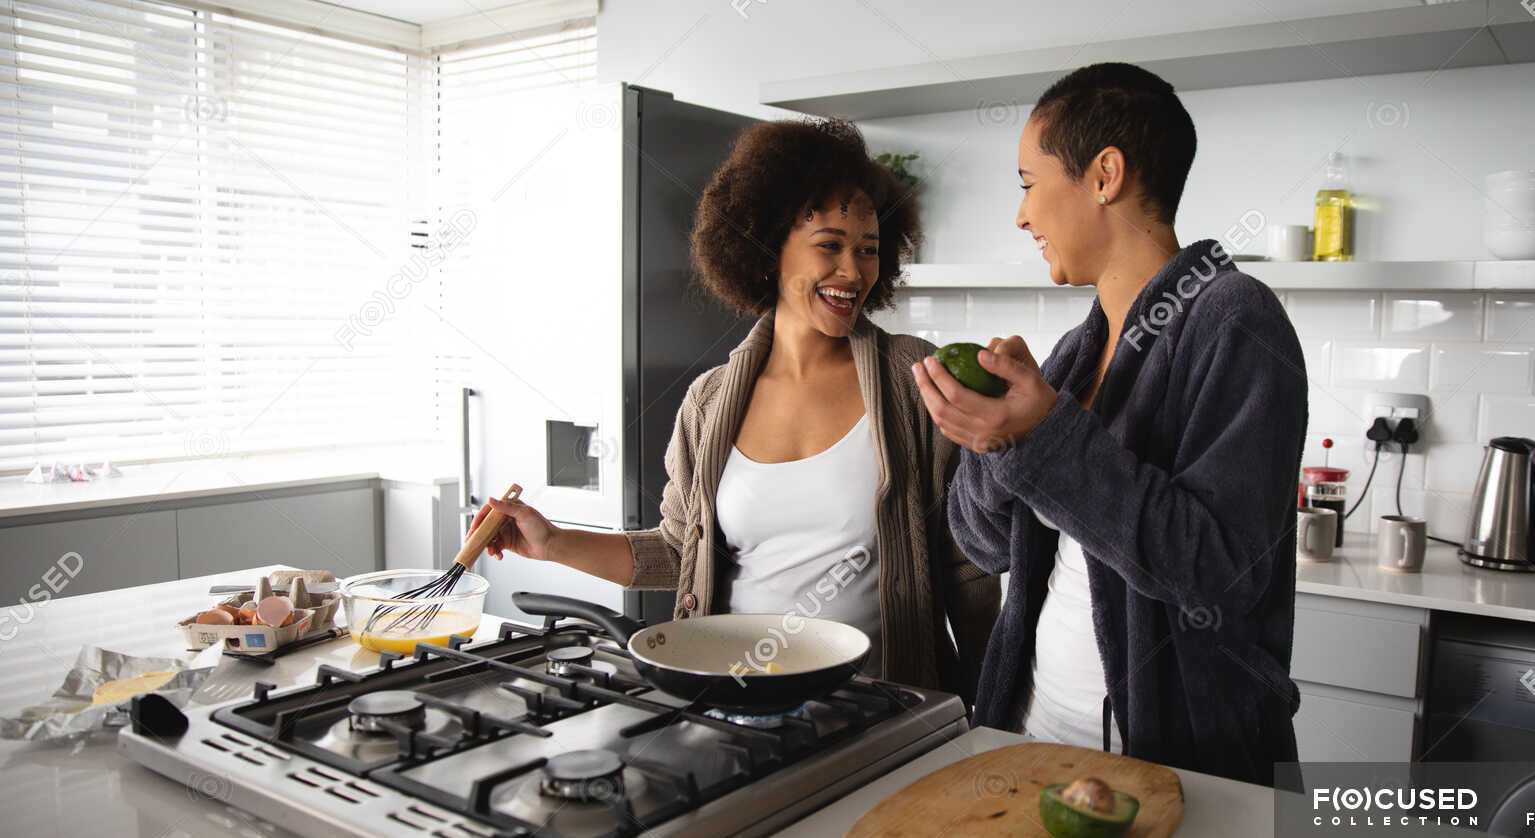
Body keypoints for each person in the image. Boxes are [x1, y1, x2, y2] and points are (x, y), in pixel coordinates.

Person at [476, 118, 998, 699]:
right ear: (768, 248)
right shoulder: (710, 400)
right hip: (739, 699)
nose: (853, 271)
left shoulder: (914, 380)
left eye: (869, 250)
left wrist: (991, 712)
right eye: (829, 245)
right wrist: (551, 543)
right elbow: (679, 553)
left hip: (881, 707)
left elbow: (968, 569)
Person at [911, 63, 1308, 784]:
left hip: (1168, 756)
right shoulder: (1072, 356)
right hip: (1031, 728)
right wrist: (997, 438)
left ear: (1104, 174)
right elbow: (986, 544)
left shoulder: (1238, 320)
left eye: (1028, 183)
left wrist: (1041, 439)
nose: (1022, 215)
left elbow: (1219, 572)